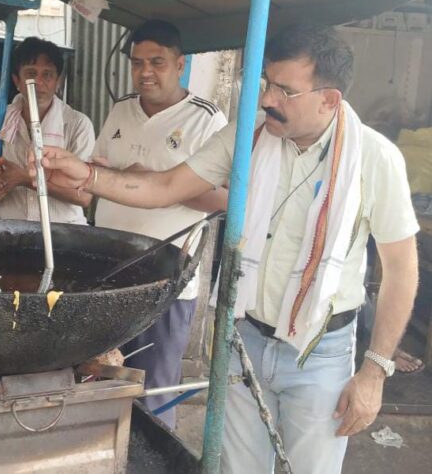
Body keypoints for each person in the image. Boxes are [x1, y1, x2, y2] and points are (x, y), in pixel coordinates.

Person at [31, 24, 419, 474]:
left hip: (320, 351)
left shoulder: (375, 158)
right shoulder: (249, 135)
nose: (268, 98)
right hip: (244, 336)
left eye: (285, 90)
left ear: (329, 100)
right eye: (267, 83)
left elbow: (401, 268)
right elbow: (168, 186)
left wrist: (374, 371)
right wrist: (88, 175)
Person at [92, 20, 228, 427]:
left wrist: (156, 183)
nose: (145, 72)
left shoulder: (206, 119)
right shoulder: (121, 109)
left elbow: (225, 198)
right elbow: (101, 171)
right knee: (103, 382)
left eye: (157, 62)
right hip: (111, 273)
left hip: (167, 281)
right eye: (137, 63)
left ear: (180, 65)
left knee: (153, 394)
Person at [0, 37, 95, 223]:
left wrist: (24, 179)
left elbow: (84, 197)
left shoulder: (78, 124)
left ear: (58, 81)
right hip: (10, 232)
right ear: (17, 80)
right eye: (31, 73)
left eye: (47, 74)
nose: (38, 82)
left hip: (65, 232)